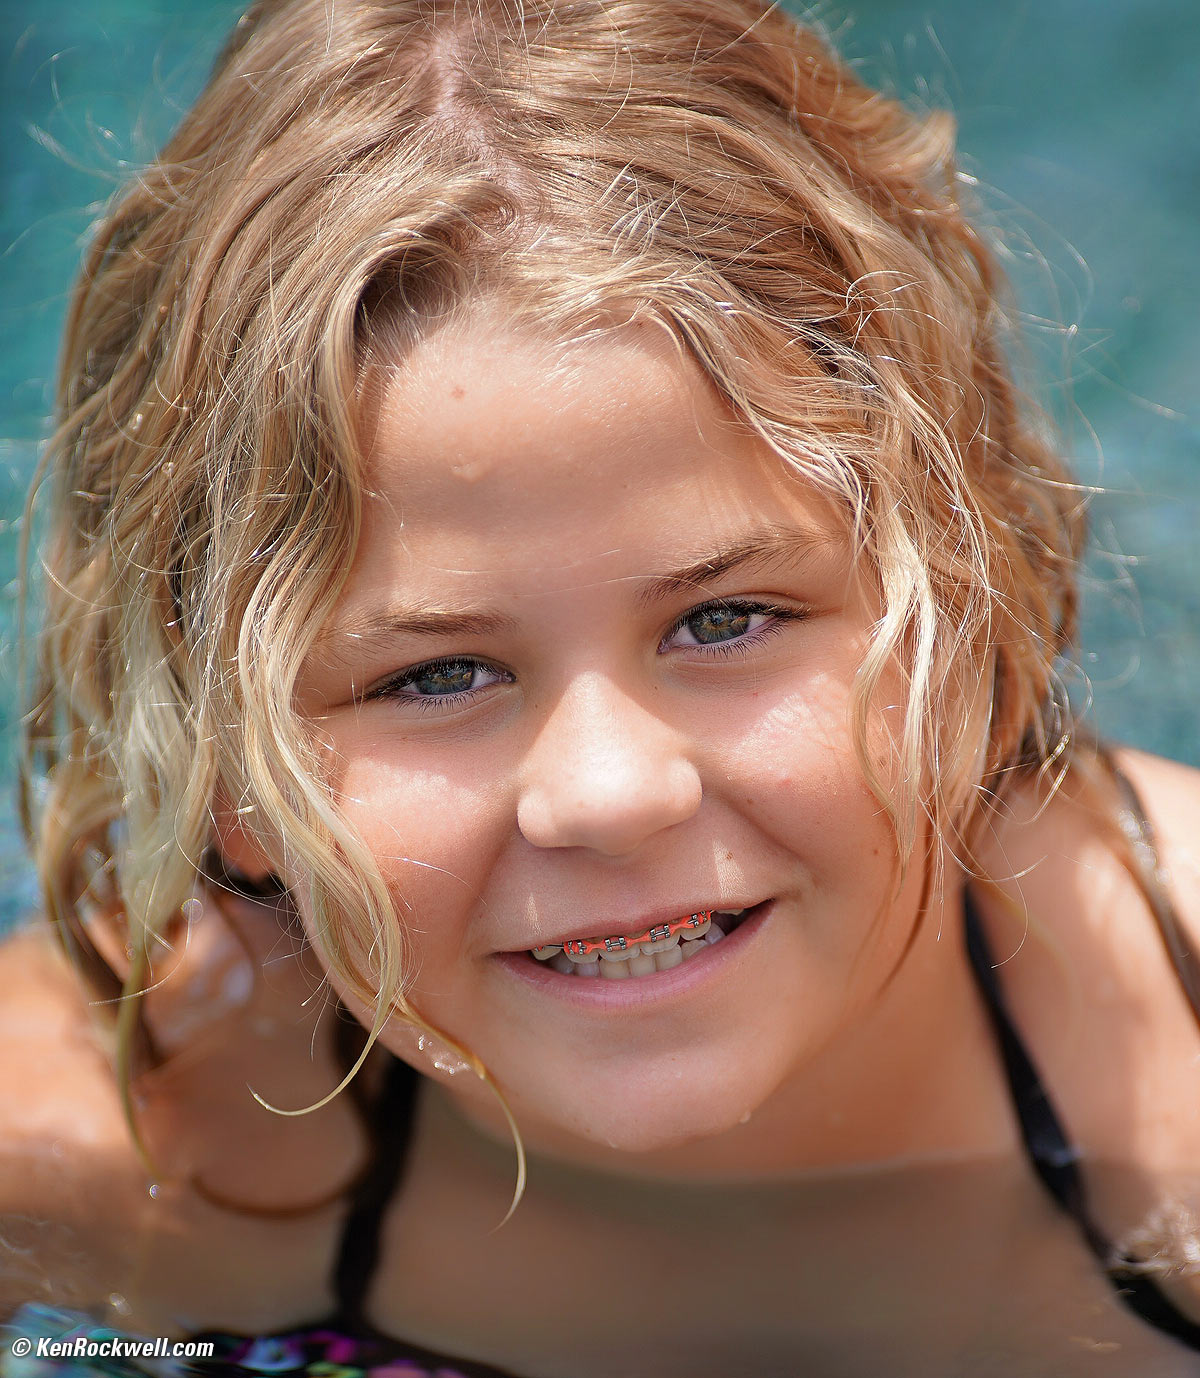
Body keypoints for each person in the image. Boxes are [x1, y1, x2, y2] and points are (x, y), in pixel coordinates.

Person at [2, 0, 1200, 1373]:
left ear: (977, 629)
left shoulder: (1174, 1089)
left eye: (728, 618)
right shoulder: (133, 1154)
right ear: (224, 782)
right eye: (436, 673)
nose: (609, 793)